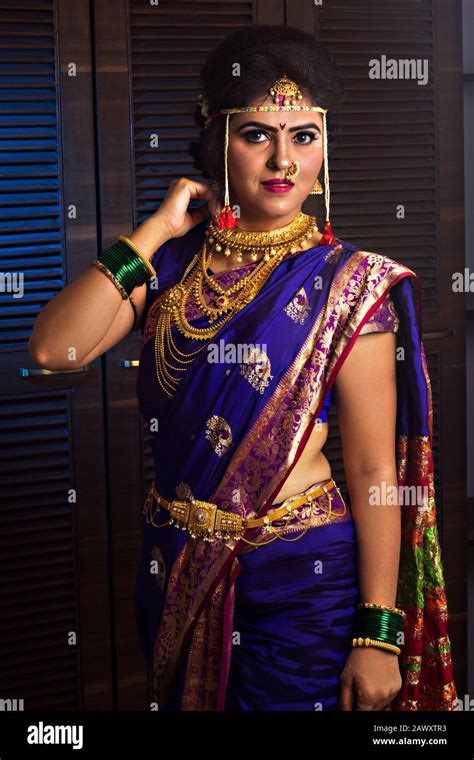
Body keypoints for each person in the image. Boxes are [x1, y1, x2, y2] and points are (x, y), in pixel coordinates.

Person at [29, 25, 457, 712]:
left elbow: (377, 473)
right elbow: (55, 350)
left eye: (304, 136)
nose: (283, 160)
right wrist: (158, 229)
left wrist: (378, 633)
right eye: (258, 134)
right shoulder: (171, 264)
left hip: (298, 580)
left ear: (324, 147)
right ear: (217, 143)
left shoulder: (347, 283)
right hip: (172, 565)